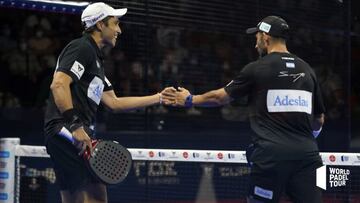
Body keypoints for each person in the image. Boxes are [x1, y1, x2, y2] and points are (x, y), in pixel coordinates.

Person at [169, 16, 325, 203]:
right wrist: (303, 140)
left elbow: (219, 97)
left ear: (265, 38)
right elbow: (319, 121)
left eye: (257, 37)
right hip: (310, 157)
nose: (255, 44)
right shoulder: (308, 70)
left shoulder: (257, 68)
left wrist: (189, 99)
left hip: (270, 157)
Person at [44, 3, 174, 203]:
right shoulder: (81, 47)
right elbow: (59, 84)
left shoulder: (96, 62)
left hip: (80, 132)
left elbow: (114, 102)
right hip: (67, 131)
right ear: (99, 25)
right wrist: (76, 125)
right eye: (115, 23)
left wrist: (159, 97)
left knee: (95, 197)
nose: (119, 30)